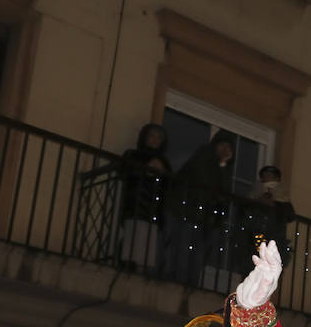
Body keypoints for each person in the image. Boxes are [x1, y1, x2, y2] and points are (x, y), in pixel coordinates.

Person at [165, 131, 237, 285]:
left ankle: (190, 284)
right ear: (215, 145)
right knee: (184, 248)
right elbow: (205, 180)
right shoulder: (204, 155)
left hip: (204, 218)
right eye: (222, 145)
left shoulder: (223, 167)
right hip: (189, 211)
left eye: (228, 147)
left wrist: (223, 164)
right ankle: (180, 282)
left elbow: (224, 192)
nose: (225, 149)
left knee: (197, 253)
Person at [118, 122, 171, 272]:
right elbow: (124, 172)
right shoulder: (132, 155)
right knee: (132, 247)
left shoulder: (164, 162)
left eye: (159, 138)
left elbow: (170, 185)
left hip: (154, 211)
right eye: (152, 136)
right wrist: (145, 168)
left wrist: (162, 171)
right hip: (135, 206)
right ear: (144, 137)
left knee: (147, 252)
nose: (155, 140)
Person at [248, 164, 297, 263]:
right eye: (265, 175)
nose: (267, 177)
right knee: (258, 255)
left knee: (271, 259)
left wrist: (275, 205)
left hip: (274, 234)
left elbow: (290, 215)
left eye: (270, 175)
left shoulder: (282, 196)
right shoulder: (256, 191)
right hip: (258, 231)